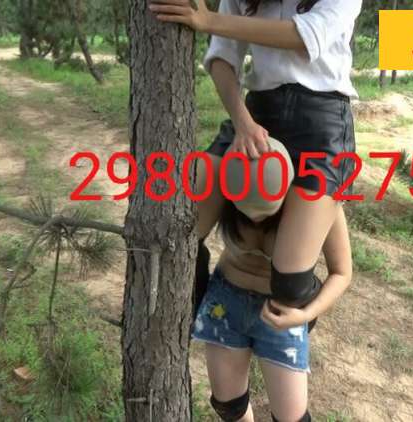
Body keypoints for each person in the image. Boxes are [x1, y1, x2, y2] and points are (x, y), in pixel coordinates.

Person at [151, 0, 362, 334]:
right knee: (181, 234)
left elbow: (306, 36)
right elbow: (222, 57)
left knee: (290, 286)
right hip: (256, 114)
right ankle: (190, 324)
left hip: (321, 125)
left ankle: (297, 316)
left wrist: (209, 21)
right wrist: (242, 122)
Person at [193, 136, 352, 422]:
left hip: (282, 315)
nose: (254, 217)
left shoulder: (314, 201)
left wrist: (306, 314)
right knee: (229, 406)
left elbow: (342, 272)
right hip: (225, 303)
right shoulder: (229, 179)